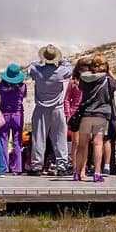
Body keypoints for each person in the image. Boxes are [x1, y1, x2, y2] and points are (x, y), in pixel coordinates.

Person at [71, 55, 116, 184]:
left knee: (82, 145)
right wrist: (110, 74)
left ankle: (76, 173)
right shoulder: (108, 80)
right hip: (101, 115)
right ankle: (97, 173)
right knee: (98, 143)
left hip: (86, 114)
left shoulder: (85, 79)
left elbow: (80, 88)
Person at [27, 45, 70, 176]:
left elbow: (30, 66)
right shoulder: (61, 71)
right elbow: (70, 67)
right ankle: (62, 165)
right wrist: (63, 61)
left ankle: (37, 165)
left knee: (39, 137)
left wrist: (41, 61)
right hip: (57, 108)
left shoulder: (36, 70)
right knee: (59, 137)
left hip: (41, 108)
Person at [0, 63, 26, 175]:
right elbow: (23, 96)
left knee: (3, 141)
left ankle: (4, 167)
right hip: (17, 115)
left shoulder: (2, 86)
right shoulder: (22, 86)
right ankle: (17, 168)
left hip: (4, 114)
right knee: (17, 141)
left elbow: (0, 93)